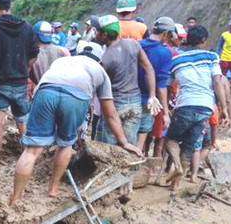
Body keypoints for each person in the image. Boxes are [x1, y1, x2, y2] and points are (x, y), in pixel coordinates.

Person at [8, 43, 142, 204]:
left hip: (46, 92)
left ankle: (15, 198)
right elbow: (110, 114)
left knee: (31, 150)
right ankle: (53, 188)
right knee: (65, 144)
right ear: (99, 60)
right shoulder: (100, 71)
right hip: (76, 97)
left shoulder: (62, 61)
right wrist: (124, 142)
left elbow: (51, 84)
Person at [165, 25, 229, 196]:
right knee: (189, 146)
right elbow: (217, 82)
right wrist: (223, 108)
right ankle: (175, 186)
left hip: (185, 104)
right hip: (206, 108)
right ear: (203, 40)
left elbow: (169, 85)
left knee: (171, 139)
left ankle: (177, 167)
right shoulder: (211, 56)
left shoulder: (176, 60)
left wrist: (167, 107)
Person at [0, 0, 38, 172]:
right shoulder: (27, 27)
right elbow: (33, 54)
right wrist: (24, 67)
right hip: (21, 83)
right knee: (22, 123)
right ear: (10, 5)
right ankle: (27, 161)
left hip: (0, 84)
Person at [93, 15, 158, 147]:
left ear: (104, 35)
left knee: (110, 148)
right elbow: (148, 68)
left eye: (97, 31)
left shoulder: (106, 58)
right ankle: (130, 168)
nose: (95, 33)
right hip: (134, 103)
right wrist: (152, 95)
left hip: (116, 103)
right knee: (129, 146)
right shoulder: (133, 44)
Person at [136, 17, 174, 151]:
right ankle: (133, 165)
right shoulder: (164, 53)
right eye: (169, 37)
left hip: (127, 97)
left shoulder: (136, 44)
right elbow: (161, 86)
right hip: (146, 100)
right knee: (141, 134)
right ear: (165, 34)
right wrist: (165, 113)